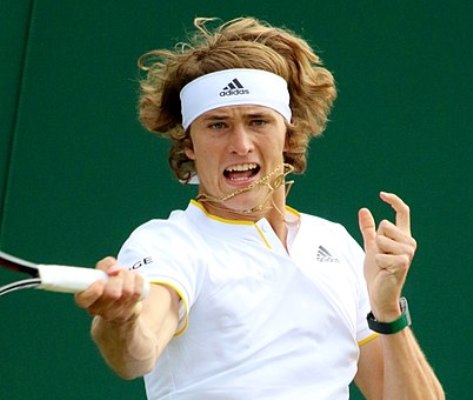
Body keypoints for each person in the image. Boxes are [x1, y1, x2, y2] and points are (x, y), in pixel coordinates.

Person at [75, 17, 444, 399]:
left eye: (258, 121)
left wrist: (387, 311)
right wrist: (121, 318)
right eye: (217, 125)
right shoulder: (168, 244)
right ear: (190, 146)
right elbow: (136, 354)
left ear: (289, 135)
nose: (241, 144)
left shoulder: (334, 243)